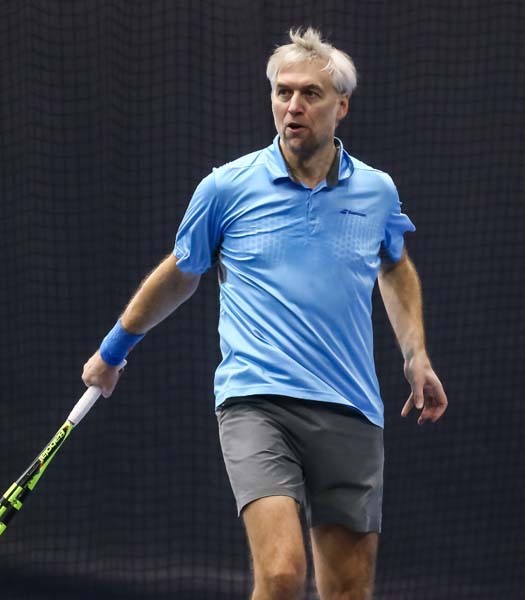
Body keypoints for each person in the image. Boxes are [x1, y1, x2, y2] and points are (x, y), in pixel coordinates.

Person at [82, 27, 447, 600]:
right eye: (283, 92)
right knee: (280, 574)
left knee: (349, 590)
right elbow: (180, 273)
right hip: (256, 401)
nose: (293, 106)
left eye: (310, 94)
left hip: (351, 406)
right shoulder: (225, 188)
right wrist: (112, 351)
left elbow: (395, 265)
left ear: (341, 106)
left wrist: (415, 354)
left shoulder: (377, 192)